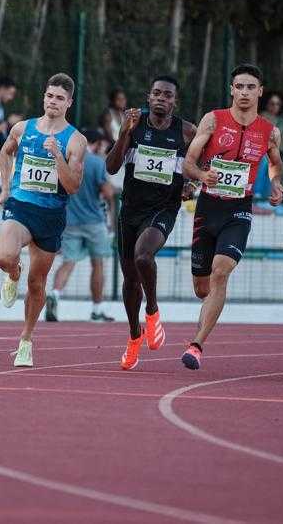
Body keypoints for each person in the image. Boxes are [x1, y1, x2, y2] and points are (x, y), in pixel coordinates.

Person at [180, 64, 283, 370]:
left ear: (260, 92)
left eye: (251, 87)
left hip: (239, 210)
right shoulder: (213, 121)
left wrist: (276, 183)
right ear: (231, 90)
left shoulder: (269, 131)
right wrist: (201, 174)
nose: (245, 93)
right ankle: (204, 323)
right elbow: (187, 162)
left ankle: (196, 345)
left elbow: (276, 165)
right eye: (239, 87)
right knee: (202, 288)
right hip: (208, 208)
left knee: (221, 271)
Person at [105, 75, 197, 370]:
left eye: (167, 95)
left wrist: (190, 185)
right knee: (130, 279)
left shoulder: (186, 132)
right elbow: (111, 167)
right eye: (156, 93)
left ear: (174, 101)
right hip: (130, 210)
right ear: (148, 97)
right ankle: (134, 337)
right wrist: (123, 133)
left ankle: (153, 311)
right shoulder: (134, 124)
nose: (161, 98)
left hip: (162, 209)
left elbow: (200, 165)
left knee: (144, 255)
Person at [0, 73, 87, 367]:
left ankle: (26, 340)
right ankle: (12, 273)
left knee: (37, 283)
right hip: (21, 205)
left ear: (69, 103)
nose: (53, 102)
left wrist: (57, 155)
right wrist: (6, 187)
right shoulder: (23, 128)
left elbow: (73, 186)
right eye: (50, 96)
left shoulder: (75, 140)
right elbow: (5, 152)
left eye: (60, 98)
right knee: (4, 256)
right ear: (43, 97)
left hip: (50, 215)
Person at [46, 129, 116, 324]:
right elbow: (108, 193)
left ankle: (55, 294)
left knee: (68, 262)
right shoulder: (96, 163)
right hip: (94, 221)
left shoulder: (67, 161)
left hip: (70, 220)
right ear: (94, 143)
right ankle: (96, 309)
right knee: (98, 264)